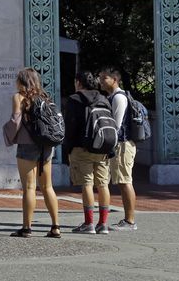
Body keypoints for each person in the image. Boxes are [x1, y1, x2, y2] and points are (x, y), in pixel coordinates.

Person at [2, 67, 61, 238]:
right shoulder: (45, 97)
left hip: (27, 145)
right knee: (48, 186)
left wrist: (6, 133)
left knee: (29, 187)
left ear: (22, 81)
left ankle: (27, 228)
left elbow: (15, 122)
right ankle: (56, 226)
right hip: (46, 145)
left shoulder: (19, 97)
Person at [65, 71, 112, 235]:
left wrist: (67, 148)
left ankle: (89, 223)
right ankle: (103, 223)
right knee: (103, 184)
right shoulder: (103, 98)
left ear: (78, 82)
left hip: (81, 147)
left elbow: (70, 127)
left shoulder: (74, 99)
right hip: (103, 147)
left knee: (87, 184)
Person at [100, 67, 138, 231]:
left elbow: (116, 124)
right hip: (120, 143)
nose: (100, 81)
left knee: (124, 181)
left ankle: (130, 221)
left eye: (104, 78)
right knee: (122, 181)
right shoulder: (114, 96)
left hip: (122, 144)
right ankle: (128, 220)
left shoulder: (119, 97)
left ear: (114, 79)